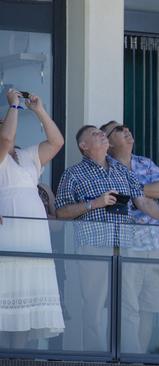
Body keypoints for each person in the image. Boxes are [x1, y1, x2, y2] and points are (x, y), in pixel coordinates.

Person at [55, 125, 159, 351]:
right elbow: (61, 212)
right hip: (94, 246)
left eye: (102, 133)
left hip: (124, 246)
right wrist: (95, 203)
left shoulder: (122, 171)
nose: (102, 135)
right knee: (93, 308)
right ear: (84, 146)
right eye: (95, 134)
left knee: (129, 307)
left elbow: (142, 201)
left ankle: (128, 358)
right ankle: (96, 360)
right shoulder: (73, 173)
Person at [100, 121, 159, 354]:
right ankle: (127, 358)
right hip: (126, 245)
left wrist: (135, 189)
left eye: (126, 127)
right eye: (119, 129)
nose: (126, 130)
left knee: (149, 308)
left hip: (154, 244)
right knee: (128, 307)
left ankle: (139, 357)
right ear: (109, 142)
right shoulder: (105, 168)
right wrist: (144, 191)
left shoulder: (144, 162)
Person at [0, 89, 65, 347]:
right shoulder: (2, 154)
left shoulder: (26, 156)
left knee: (26, 296)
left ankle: (20, 356)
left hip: (34, 234)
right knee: (8, 288)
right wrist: (13, 106)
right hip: (9, 230)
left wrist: (38, 109)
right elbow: (5, 141)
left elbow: (56, 142)